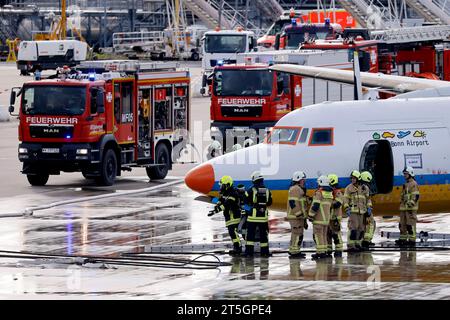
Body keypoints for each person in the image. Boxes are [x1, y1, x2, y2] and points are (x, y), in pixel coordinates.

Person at [208, 175, 242, 255]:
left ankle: (238, 247)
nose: (221, 187)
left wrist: (215, 211)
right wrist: (216, 206)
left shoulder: (233, 193)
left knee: (232, 232)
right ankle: (236, 247)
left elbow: (226, 204)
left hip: (234, 216)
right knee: (231, 233)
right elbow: (221, 202)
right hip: (229, 217)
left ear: (227, 185)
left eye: (222, 185)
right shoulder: (225, 193)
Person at [244, 171, 272, 257]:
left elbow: (245, 202)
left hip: (252, 218)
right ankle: (265, 253)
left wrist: (248, 210)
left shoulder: (250, 190)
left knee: (250, 236)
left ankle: (249, 253)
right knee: (264, 236)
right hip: (263, 218)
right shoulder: (267, 190)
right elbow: (270, 202)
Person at [343, 170, 372, 252]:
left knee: (361, 229)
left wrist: (369, 207)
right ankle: (351, 245)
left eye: (354, 178)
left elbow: (368, 199)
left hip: (362, 212)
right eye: (351, 178)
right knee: (353, 228)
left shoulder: (364, 188)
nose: (352, 180)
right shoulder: (349, 188)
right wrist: (347, 208)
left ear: (358, 179)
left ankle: (358, 244)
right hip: (353, 211)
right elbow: (345, 199)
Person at [308, 175, 333, 260]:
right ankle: (324, 251)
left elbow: (315, 205)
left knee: (318, 236)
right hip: (326, 219)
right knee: (323, 236)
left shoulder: (319, 193)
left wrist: (310, 215)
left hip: (318, 219)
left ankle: (320, 252)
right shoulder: (329, 194)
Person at [286, 171, 309, 259]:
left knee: (298, 234)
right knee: (297, 234)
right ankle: (294, 252)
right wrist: (298, 214)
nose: (304, 181)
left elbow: (302, 203)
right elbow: (293, 203)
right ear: (298, 179)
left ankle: (295, 250)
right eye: (303, 180)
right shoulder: (295, 189)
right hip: (295, 217)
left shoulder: (299, 189)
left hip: (299, 217)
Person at [396, 166, 420, 247]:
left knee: (410, 225)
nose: (404, 175)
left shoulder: (413, 184)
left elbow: (416, 196)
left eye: (406, 174)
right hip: (404, 208)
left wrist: (410, 204)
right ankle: (403, 239)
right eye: (404, 174)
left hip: (410, 208)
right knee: (402, 224)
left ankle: (412, 240)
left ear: (410, 174)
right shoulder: (406, 184)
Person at [327, 174, 344, 258]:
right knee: (328, 234)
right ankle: (328, 250)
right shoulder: (329, 192)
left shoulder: (338, 192)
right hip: (329, 217)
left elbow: (338, 203)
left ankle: (339, 250)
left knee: (336, 234)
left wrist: (328, 203)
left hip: (335, 217)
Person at [360, 171, 376, 249]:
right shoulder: (365, 187)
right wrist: (369, 208)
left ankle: (363, 240)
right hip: (365, 209)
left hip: (360, 210)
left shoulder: (359, 187)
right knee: (371, 223)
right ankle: (367, 240)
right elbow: (368, 199)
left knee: (362, 224)